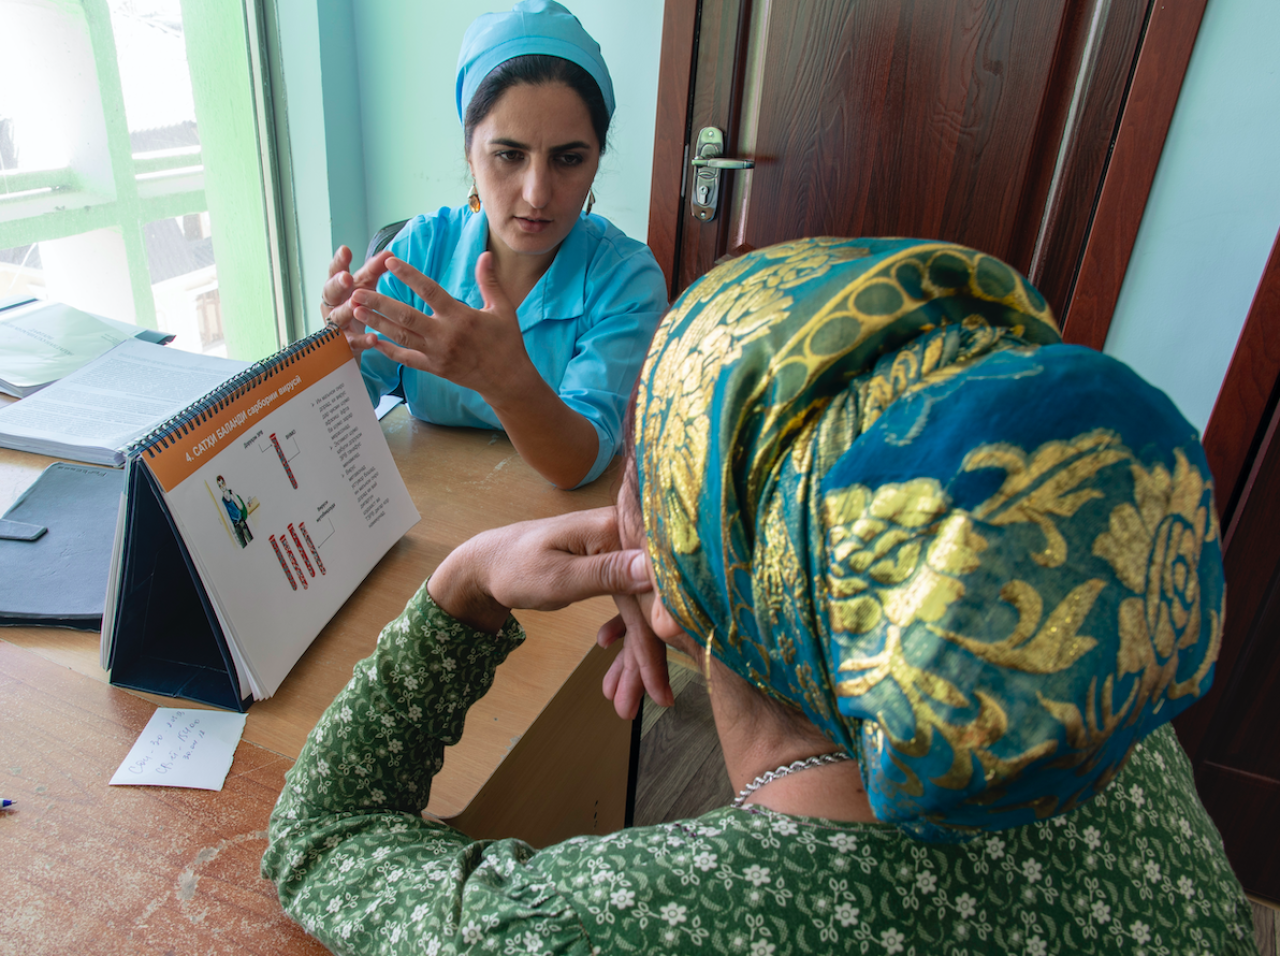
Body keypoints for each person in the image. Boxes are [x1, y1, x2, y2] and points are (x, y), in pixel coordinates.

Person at [263, 238, 1258, 954]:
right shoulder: (1067, 694)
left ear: (673, 573)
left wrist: (468, 578)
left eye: (648, 456)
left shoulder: (606, 926)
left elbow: (317, 839)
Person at [321, 1, 667, 491]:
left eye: (568, 159)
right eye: (509, 154)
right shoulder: (419, 251)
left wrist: (502, 376)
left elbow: (581, 460)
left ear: (596, 162)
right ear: (469, 153)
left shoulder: (627, 281)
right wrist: (335, 355)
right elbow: (353, 405)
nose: (537, 193)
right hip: (431, 510)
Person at [217, 474, 252, 547]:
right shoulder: (223, 501)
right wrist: (234, 533)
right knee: (244, 546)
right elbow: (227, 516)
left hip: (241, 521)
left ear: (225, 482)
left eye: (222, 483)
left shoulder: (231, 492)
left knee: (251, 541)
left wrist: (233, 497)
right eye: (220, 485)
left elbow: (241, 506)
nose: (222, 486)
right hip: (236, 526)